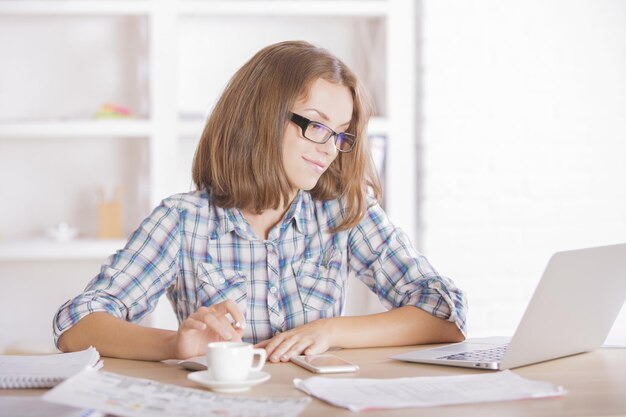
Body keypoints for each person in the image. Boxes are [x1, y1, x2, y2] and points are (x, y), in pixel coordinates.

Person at [54, 40, 467, 363]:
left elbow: (445, 314)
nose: (329, 149)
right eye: (316, 125)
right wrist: (177, 344)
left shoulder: (342, 211)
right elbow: (78, 324)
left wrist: (331, 330)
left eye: (340, 133)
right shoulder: (184, 221)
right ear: (262, 118)